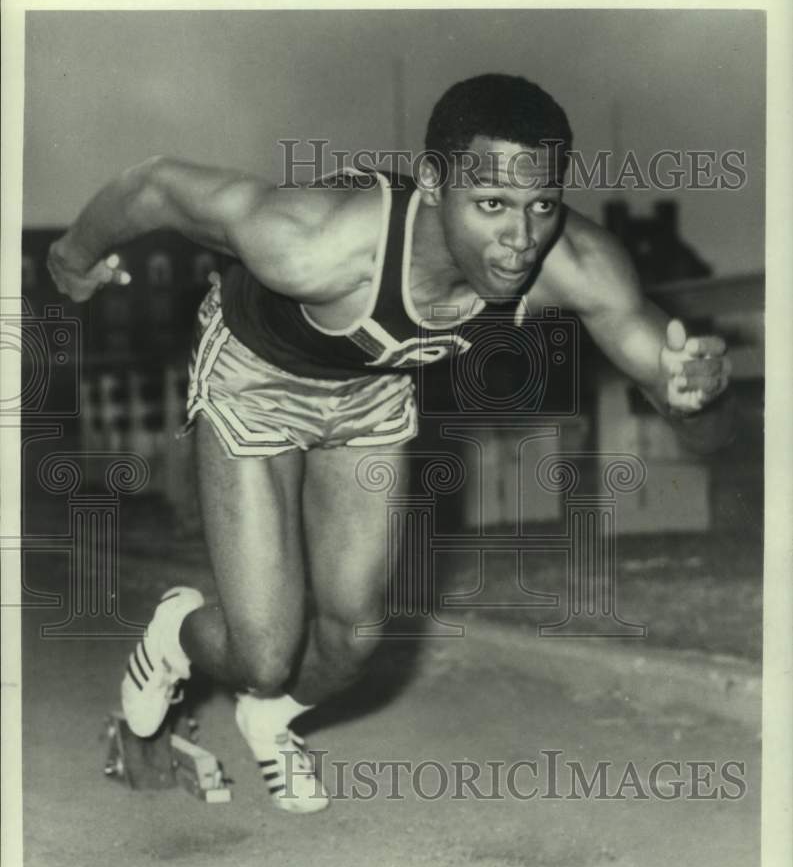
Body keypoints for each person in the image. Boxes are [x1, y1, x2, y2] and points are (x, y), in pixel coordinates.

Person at [47, 73, 733, 814]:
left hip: (372, 389)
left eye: (540, 205)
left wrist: (696, 394)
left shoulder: (575, 264)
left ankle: (266, 719)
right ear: (434, 184)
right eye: (491, 205)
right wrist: (73, 258)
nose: (519, 240)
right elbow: (154, 188)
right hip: (256, 381)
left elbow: (696, 420)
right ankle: (178, 630)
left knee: (353, 639)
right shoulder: (312, 241)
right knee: (266, 651)